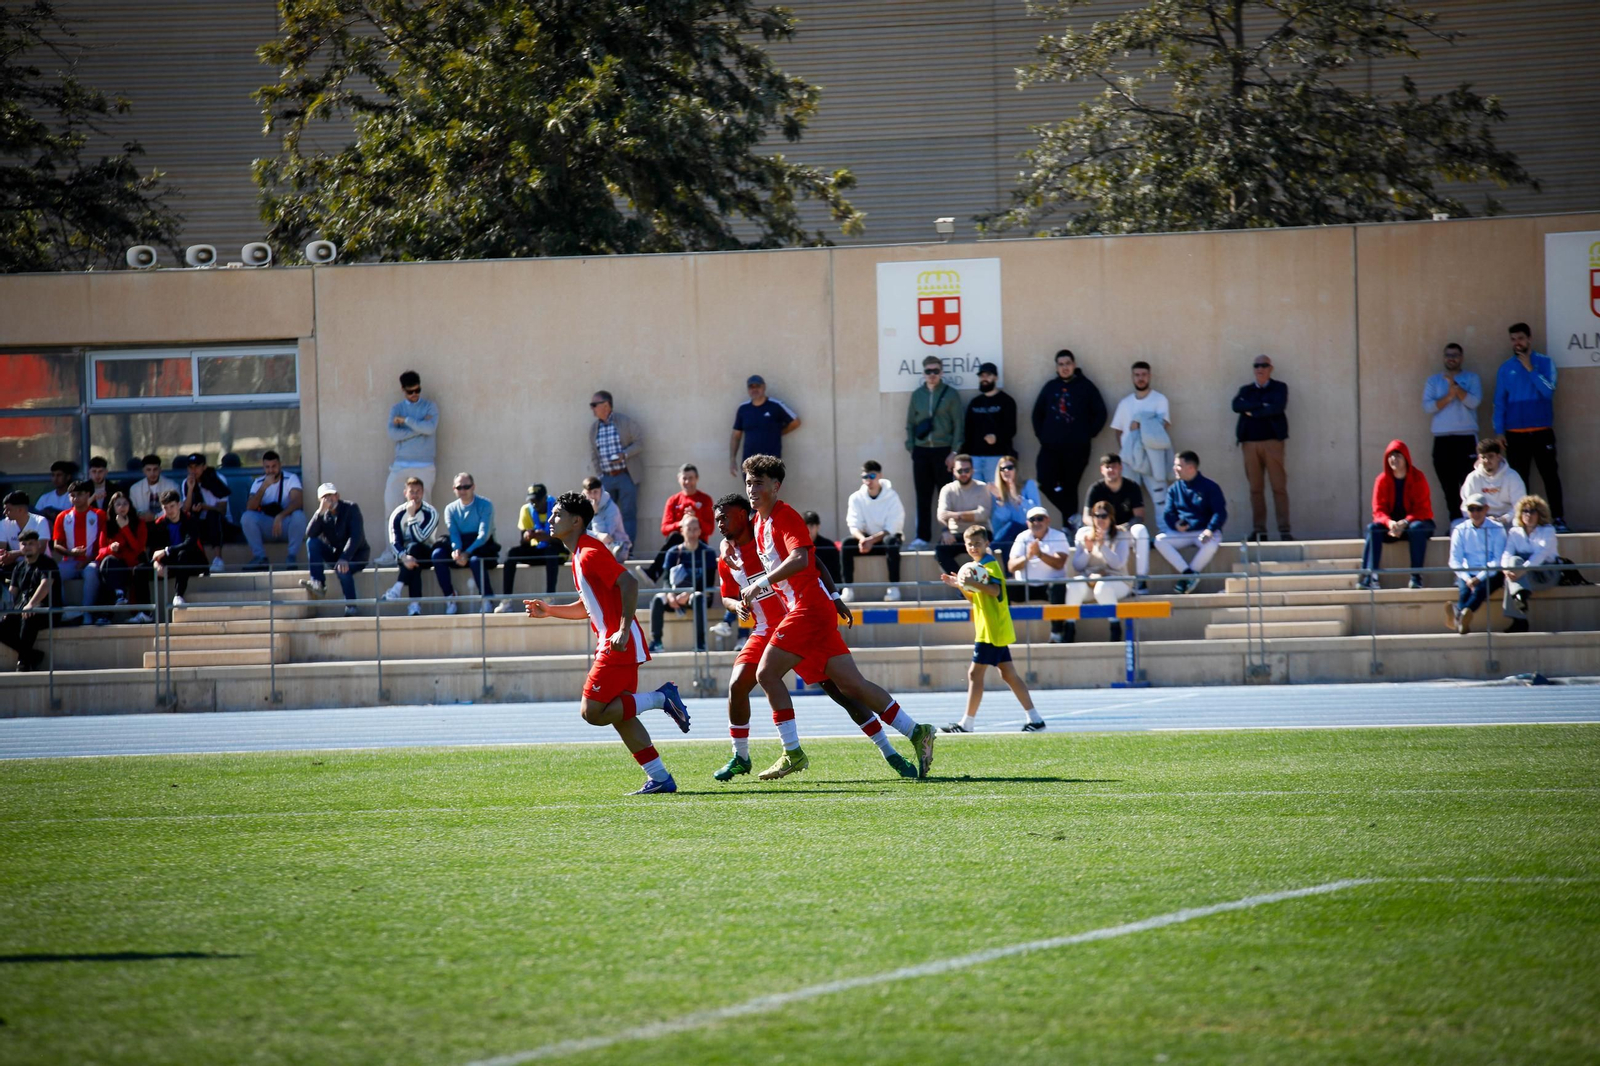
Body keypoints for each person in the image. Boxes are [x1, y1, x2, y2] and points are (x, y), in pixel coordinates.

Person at [742, 454, 938, 779]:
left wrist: (761, 583)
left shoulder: (784, 516)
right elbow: (815, 560)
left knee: (766, 673)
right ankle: (918, 732)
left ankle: (792, 753)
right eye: (748, 483)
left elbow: (803, 557)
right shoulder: (759, 522)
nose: (752, 489)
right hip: (812, 609)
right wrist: (834, 596)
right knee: (852, 686)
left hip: (807, 610)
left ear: (776, 486)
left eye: (758, 483)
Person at [710, 492, 919, 782]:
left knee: (842, 692)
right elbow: (726, 597)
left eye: (725, 517)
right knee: (737, 685)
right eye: (717, 518)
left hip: (794, 621)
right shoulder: (727, 555)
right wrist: (738, 605)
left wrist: (834, 597)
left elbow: (813, 562)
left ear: (744, 515)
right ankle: (741, 756)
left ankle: (889, 752)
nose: (719, 524)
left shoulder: (765, 530)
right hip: (763, 629)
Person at [520, 490, 690, 795]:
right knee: (620, 714)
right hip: (620, 642)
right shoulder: (579, 554)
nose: (552, 519)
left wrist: (622, 629)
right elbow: (588, 606)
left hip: (618, 645)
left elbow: (630, 582)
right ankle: (661, 778)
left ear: (576, 521)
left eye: (558, 514)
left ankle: (662, 698)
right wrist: (550, 611)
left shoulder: (589, 552)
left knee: (592, 712)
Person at [939, 525, 1043, 734]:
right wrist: (959, 585)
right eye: (970, 544)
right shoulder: (977, 565)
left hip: (991, 630)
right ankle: (1036, 719)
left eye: (978, 543)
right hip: (990, 628)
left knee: (974, 674)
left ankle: (966, 724)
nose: (974, 547)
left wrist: (972, 583)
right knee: (1008, 674)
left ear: (987, 543)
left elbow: (994, 590)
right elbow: (976, 597)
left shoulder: (990, 564)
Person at [1493, 323, 1567, 533]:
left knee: (1550, 476)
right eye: (1513, 339)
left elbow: (1548, 391)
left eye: (1521, 338)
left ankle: (1559, 518)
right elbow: (1499, 402)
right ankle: (1521, 523)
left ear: (1529, 339)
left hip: (1542, 431)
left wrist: (1530, 369)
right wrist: (1499, 430)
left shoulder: (1544, 362)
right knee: (1519, 481)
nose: (1517, 343)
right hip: (1515, 435)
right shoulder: (1506, 368)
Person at [1031, 349, 1107, 524]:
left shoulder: (1086, 387)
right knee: (1044, 482)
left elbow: (1101, 412)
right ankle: (1072, 516)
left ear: (1074, 365)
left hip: (1077, 448)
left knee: (1070, 487)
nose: (1064, 367)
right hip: (1050, 447)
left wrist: (1088, 434)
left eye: (1068, 364)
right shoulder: (1050, 387)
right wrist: (1042, 436)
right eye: (1061, 364)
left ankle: (1069, 527)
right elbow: (1037, 414)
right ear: (1056, 367)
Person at [379, 370, 439, 563]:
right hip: (400, 464)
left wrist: (405, 422)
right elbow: (392, 435)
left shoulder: (430, 406)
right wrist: (419, 428)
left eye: (417, 390)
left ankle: (427, 548)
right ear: (403, 390)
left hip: (424, 464)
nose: (414, 395)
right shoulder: (396, 408)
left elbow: (430, 429)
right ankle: (391, 551)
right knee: (391, 505)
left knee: (425, 508)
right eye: (410, 392)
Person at [903, 355, 962, 549]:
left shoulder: (950, 394)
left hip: (943, 451)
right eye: (928, 371)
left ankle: (950, 535)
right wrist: (911, 447)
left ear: (941, 372)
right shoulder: (917, 395)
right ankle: (922, 536)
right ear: (924, 373)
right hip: (921, 451)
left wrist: (954, 451)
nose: (932, 375)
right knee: (923, 495)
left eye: (936, 371)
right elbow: (910, 423)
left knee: (946, 495)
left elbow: (958, 425)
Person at [1231, 354, 1292, 541]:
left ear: (1270, 368)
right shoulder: (1246, 390)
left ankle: (1284, 530)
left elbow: (1277, 407)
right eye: (1256, 365)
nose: (1260, 369)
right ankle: (1259, 531)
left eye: (1264, 365)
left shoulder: (1279, 388)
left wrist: (1251, 411)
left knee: (1278, 487)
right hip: (1249, 444)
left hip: (1273, 443)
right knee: (1255, 489)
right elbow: (1236, 405)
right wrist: (1261, 405)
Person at [1360, 440, 1436, 591]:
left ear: (1406, 457)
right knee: (1373, 528)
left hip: (1416, 523)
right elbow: (1378, 509)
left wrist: (1405, 522)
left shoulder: (1418, 477)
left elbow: (1423, 509)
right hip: (1391, 527)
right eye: (1390, 456)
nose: (1393, 459)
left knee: (1417, 528)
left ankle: (1416, 577)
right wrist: (1389, 523)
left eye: (1397, 455)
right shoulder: (1381, 480)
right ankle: (1370, 577)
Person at [1155, 451, 1227, 595]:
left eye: (1178, 466)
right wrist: (1175, 524)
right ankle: (1189, 574)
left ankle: (1187, 578)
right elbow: (1168, 513)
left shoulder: (1210, 486)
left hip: (1204, 532)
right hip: (1182, 533)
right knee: (1159, 540)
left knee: (1212, 543)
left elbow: (1220, 512)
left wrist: (1210, 530)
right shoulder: (1174, 489)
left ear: (1191, 468)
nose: (1174, 469)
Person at [1423, 342, 1483, 508]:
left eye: (1455, 355)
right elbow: (1428, 407)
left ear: (1461, 358)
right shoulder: (1433, 381)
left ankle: (1469, 524)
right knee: (1448, 487)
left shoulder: (1471, 378)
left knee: (1469, 484)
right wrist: (1449, 396)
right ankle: (1455, 524)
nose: (1451, 359)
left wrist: (1456, 389)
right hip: (1442, 439)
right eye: (1448, 355)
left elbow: (1474, 402)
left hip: (1466, 438)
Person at [1083, 453, 1153, 594]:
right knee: (1082, 533)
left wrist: (1125, 527)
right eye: (1107, 467)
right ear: (1102, 470)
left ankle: (1141, 580)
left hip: (1124, 531)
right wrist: (1100, 527)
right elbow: (1086, 517)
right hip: (1103, 532)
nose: (1111, 470)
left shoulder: (1131, 486)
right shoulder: (1096, 489)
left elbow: (1139, 516)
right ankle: (1085, 578)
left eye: (1114, 467)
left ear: (1120, 468)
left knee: (1141, 531)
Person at [1110, 361, 1173, 514]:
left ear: (1149, 376)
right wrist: (1128, 451)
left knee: (1161, 500)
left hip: (1153, 459)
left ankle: (1164, 535)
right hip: (1130, 462)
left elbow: (1163, 426)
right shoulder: (1125, 403)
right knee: (1127, 502)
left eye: (1144, 375)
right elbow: (1118, 431)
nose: (1140, 378)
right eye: (1137, 375)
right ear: (1132, 377)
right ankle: (1129, 535)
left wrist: (1140, 423)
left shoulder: (1160, 400)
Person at [647, 513, 715, 653]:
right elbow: (666, 578)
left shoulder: (707, 552)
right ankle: (656, 642)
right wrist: (670, 594)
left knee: (698, 597)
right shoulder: (673, 552)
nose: (691, 532)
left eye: (695, 529)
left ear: (700, 532)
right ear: (682, 530)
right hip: (676, 593)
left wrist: (689, 592)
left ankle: (700, 644)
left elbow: (708, 580)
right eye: (688, 529)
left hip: (697, 593)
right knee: (658, 599)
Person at [432, 472, 498, 614]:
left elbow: (483, 535)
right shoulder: (450, 509)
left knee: (475, 561)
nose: (462, 491)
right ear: (454, 489)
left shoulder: (485, 505)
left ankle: (487, 600)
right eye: (459, 487)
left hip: (482, 548)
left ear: (473, 487)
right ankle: (450, 596)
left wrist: (467, 553)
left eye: (466, 487)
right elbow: (453, 532)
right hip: (462, 547)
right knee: (437, 555)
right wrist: (456, 550)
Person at [1008, 505, 1075, 643]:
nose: (1037, 522)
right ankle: (1003, 632)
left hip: (1049, 587)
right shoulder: (1022, 537)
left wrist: (1039, 554)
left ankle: (1057, 633)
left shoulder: (1059, 536)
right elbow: (1011, 566)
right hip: (1025, 586)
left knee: (1058, 586)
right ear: (1027, 523)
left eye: (1040, 518)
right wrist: (1028, 556)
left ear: (1048, 520)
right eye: (1032, 519)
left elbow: (1059, 563)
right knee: (1002, 587)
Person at [301, 483, 370, 616]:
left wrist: (345, 557)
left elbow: (356, 536)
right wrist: (319, 512)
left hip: (356, 556)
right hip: (336, 555)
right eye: (324, 497)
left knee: (343, 569)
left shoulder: (351, 508)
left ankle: (351, 607)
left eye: (331, 495)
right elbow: (309, 534)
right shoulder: (322, 515)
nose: (329, 500)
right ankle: (318, 582)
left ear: (337, 496)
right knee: (312, 542)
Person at [841, 460, 905, 601]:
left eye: (872, 476)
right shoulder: (856, 498)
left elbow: (893, 527)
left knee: (892, 542)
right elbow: (853, 524)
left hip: (885, 540)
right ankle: (848, 589)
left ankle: (894, 588)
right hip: (866, 541)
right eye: (865, 477)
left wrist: (871, 540)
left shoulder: (892, 497)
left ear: (880, 475)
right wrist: (863, 539)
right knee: (846, 544)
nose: (868, 480)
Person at [1445, 493, 1506, 636]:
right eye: (1471, 509)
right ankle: (1462, 619)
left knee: (1479, 590)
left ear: (1486, 509)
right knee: (1464, 591)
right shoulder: (1460, 529)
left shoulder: (1497, 528)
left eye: (1478, 509)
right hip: (1468, 572)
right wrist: (1467, 578)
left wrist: (1480, 577)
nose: (1475, 513)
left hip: (1492, 572)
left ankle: (1458, 616)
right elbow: (1454, 560)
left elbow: (1498, 560)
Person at [1072, 501, 1134, 641]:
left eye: (1104, 516)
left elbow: (1118, 564)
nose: (1100, 519)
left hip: (1118, 580)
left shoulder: (1121, 535)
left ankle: (1115, 626)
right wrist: (1088, 551)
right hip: (1090, 580)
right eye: (1096, 516)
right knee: (1073, 584)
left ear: (1111, 517)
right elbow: (1077, 566)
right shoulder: (1085, 535)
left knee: (1102, 587)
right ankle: (1069, 627)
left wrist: (1102, 547)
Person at [588, 390, 643, 546]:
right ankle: (607, 550)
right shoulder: (594, 429)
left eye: (594, 405)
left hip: (626, 475)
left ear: (606, 405)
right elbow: (594, 454)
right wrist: (600, 476)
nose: (592, 408)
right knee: (603, 514)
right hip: (605, 478)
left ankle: (627, 549)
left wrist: (624, 454)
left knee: (628, 514)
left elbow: (639, 443)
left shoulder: (624, 422)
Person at [499, 484, 567, 608]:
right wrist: (527, 537)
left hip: (557, 552)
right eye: (532, 501)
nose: (535, 504)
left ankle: (550, 597)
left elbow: (564, 541)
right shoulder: (526, 510)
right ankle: (506, 600)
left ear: (545, 498)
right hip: (538, 550)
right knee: (511, 553)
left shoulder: (558, 509)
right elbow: (523, 543)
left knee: (551, 552)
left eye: (538, 500)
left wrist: (546, 537)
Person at [380, 476, 441, 616]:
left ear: (423, 493)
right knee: (414, 565)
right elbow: (394, 541)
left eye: (418, 491)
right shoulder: (397, 514)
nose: (415, 495)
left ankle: (397, 588)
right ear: (405, 493)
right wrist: (403, 556)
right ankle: (414, 606)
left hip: (426, 553)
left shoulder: (431, 513)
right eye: (411, 491)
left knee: (414, 548)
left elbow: (420, 538)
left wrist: (412, 515)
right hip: (404, 557)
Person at [644, 464, 714, 582]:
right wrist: (681, 524)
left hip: (698, 543)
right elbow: (665, 529)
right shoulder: (673, 500)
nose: (687, 482)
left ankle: (654, 573)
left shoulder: (705, 499)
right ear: (679, 479)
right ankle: (654, 573)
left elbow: (710, 529)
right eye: (684, 478)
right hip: (677, 546)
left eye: (691, 478)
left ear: (696, 478)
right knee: (675, 537)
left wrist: (695, 520)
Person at [1501, 494, 1558, 634]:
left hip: (1545, 571)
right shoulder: (1515, 532)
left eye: (1532, 511)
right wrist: (1505, 570)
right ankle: (1520, 597)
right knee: (1513, 563)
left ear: (1540, 514)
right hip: (1524, 573)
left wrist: (1522, 571)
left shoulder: (1548, 531)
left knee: (1514, 573)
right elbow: (1507, 553)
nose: (1528, 515)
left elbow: (1541, 555)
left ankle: (1519, 620)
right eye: (1525, 511)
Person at [240, 450, 306, 571]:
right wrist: (264, 487)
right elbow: (250, 507)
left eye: (274, 466)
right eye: (267, 467)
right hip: (267, 526)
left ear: (280, 465)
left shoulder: (290, 478)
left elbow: (298, 502)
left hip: (285, 524)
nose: (271, 470)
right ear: (263, 467)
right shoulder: (258, 482)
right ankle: (260, 558)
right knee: (247, 517)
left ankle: (291, 556)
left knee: (299, 516)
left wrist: (280, 516)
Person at [1, 530, 58, 671]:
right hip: (23, 609)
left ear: (38, 545)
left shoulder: (47, 563)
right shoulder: (19, 567)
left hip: (46, 609)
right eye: (24, 544)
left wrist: (31, 605)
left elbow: (45, 585)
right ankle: (32, 655)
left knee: (28, 617)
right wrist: (6, 610)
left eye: (31, 543)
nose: (27, 547)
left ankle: (24, 662)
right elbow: (12, 593)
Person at [51, 480, 104, 624]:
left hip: (92, 560)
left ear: (88, 494)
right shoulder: (63, 516)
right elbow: (57, 545)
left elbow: (103, 544)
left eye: (79, 494)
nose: (76, 498)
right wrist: (71, 553)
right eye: (72, 495)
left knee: (91, 572)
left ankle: (87, 613)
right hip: (70, 561)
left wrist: (87, 560)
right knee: (54, 573)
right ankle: (62, 612)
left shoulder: (99, 514)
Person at [96, 491, 152, 624]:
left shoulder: (139, 523)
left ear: (130, 506)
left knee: (139, 571)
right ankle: (109, 609)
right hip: (116, 566)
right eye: (118, 504)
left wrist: (125, 528)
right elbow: (100, 552)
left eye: (125, 503)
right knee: (108, 564)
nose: (122, 507)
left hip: (133, 564)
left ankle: (143, 613)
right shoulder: (107, 525)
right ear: (113, 507)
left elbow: (139, 548)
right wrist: (110, 548)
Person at [729, 375, 801, 477]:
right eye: (751, 387)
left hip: (770, 463)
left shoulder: (775, 406)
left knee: (767, 492)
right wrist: (732, 459)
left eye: (757, 386)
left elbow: (795, 422)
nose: (754, 389)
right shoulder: (743, 409)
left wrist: (779, 433)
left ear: (764, 387)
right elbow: (736, 436)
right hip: (749, 464)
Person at [148, 490, 209, 607]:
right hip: (171, 563)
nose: (169, 511)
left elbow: (189, 543)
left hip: (193, 561)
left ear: (179, 504)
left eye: (172, 506)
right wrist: (156, 563)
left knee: (183, 554)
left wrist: (167, 550)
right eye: (166, 508)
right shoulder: (159, 524)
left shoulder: (190, 520)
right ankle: (144, 612)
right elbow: (154, 550)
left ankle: (179, 595)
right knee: (139, 570)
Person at [934, 454, 989, 575]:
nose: (963, 473)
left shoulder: (982, 488)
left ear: (972, 470)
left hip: (980, 532)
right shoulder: (947, 489)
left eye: (967, 470)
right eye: (960, 470)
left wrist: (956, 515)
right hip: (956, 535)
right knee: (940, 551)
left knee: (986, 551)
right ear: (954, 472)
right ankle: (963, 584)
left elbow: (983, 514)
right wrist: (945, 531)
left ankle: (982, 585)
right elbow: (941, 514)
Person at [963, 362, 1016, 484]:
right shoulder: (975, 402)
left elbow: (1011, 429)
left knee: (996, 496)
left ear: (996, 377)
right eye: (982, 376)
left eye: (988, 375)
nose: (984, 378)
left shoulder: (1007, 401)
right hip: (974, 458)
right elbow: (967, 430)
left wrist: (996, 437)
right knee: (976, 497)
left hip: (996, 457)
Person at [1457, 437, 1526, 528]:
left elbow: (1520, 505)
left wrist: (1502, 519)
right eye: (1483, 457)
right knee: (1456, 525)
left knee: (1519, 524)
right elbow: (1466, 506)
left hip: (1507, 522)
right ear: (1479, 458)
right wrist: (1483, 520)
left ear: (1498, 457)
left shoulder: (1512, 476)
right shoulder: (1472, 478)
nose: (1487, 461)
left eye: (1490, 456)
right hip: (1480, 522)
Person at [180, 452, 231, 573]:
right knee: (189, 521)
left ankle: (218, 559)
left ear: (204, 467)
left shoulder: (218, 480)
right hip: (199, 522)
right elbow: (185, 510)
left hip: (220, 522)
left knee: (213, 516)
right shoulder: (185, 483)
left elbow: (222, 509)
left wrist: (205, 507)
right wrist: (191, 488)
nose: (194, 470)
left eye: (197, 466)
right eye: (190, 467)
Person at [986, 455, 1042, 563]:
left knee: (1012, 526)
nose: (1006, 471)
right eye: (1002, 469)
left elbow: (1036, 511)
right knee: (1009, 538)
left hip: (1030, 528)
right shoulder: (998, 492)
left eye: (1010, 467)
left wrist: (1018, 498)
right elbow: (1003, 519)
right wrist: (1000, 499)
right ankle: (1009, 575)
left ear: (1016, 469)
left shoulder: (1028, 485)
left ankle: (990, 549)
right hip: (1012, 532)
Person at [1, 491, 52, 578]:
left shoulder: (40, 521)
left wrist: (15, 554)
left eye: (8, 509)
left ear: (21, 510)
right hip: (17, 565)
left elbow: (40, 549)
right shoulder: (3, 523)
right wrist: (4, 556)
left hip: (40, 564)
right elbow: (1, 548)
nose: (4, 512)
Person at [582, 476, 631, 561]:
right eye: (589, 492)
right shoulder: (582, 506)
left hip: (617, 549)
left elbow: (605, 536)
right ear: (584, 493)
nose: (593, 496)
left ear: (601, 491)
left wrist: (596, 515)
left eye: (595, 492)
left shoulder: (612, 509)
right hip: (594, 548)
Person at [128, 455, 179, 520]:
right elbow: (132, 510)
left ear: (160, 469)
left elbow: (178, 507)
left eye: (155, 469)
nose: (152, 473)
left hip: (167, 522)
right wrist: (142, 515)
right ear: (143, 471)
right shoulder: (135, 489)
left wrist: (156, 517)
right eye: (148, 470)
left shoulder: (172, 486)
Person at [803, 510, 842, 586]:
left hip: (827, 586)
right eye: (805, 526)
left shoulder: (829, 546)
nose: (808, 530)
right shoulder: (798, 547)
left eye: (811, 526)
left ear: (818, 526)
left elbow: (835, 571)